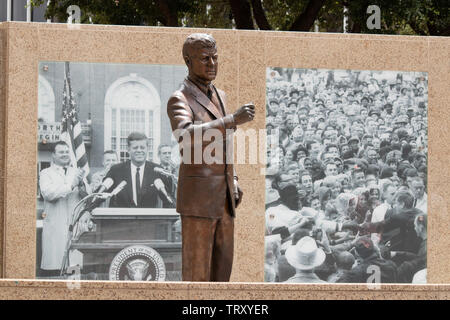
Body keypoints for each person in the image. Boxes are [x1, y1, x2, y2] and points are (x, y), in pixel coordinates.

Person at [167, 33, 254, 281]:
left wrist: (234, 179)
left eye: (215, 58)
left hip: (225, 199)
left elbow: (224, 143)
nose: (212, 64)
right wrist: (231, 120)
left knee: (221, 275)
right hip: (198, 201)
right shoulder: (179, 99)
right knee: (197, 277)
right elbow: (184, 135)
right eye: (205, 59)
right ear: (188, 61)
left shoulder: (220, 95)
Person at [39, 141, 85, 276]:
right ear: (53, 155)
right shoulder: (45, 173)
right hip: (56, 227)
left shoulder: (76, 172)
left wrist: (82, 186)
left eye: (66, 151)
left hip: (74, 227)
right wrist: (71, 186)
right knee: (55, 269)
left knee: (74, 270)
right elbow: (48, 193)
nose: (65, 154)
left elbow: (87, 196)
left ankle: (73, 292)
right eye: (61, 152)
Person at [105, 132, 170, 208]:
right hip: (122, 218)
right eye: (135, 148)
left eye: (142, 148)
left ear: (147, 149)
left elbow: (169, 198)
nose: (139, 150)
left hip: (149, 219)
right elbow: (99, 194)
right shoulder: (116, 170)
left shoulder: (157, 170)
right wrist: (88, 210)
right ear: (128, 150)